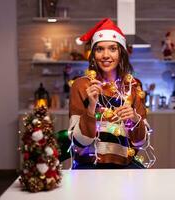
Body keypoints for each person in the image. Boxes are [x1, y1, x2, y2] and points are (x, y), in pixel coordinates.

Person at [68, 18, 151, 169]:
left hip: (125, 166)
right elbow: (79, 141)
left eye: (112, 48)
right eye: (100, 49)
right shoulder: (81, 85)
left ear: (121, 53)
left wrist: (134, 118)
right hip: (88, 167)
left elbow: (141, 142)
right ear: (93, 54)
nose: (106, 55)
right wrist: (91, 107)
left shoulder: (132, 85)